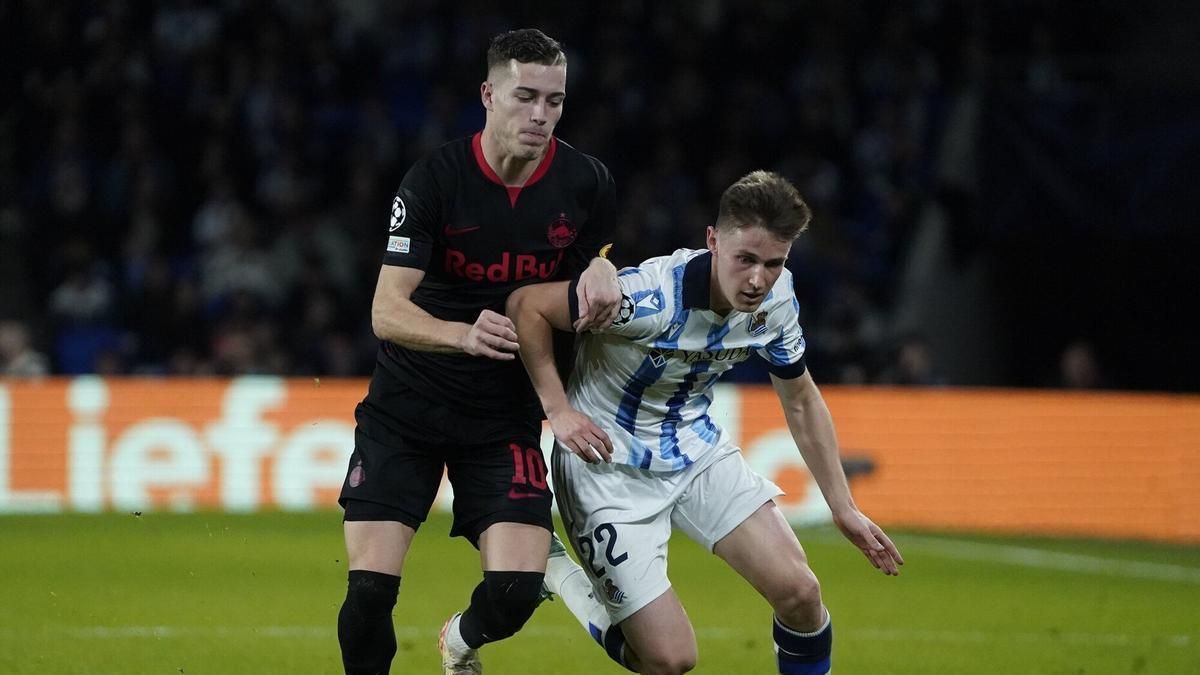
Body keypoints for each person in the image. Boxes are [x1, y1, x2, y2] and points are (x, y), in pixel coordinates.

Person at [507, 170, 903, 675]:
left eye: (774, 263)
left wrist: (843, 507)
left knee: (801, 593)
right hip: (607, 466)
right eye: (746, 260)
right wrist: (558, 410)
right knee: (670, 660)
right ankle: (559, 570)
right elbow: (527, 306)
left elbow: (800, 398)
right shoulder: (647, 300)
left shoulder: (777, 302)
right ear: (712, 241)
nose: (758, 279)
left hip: (693, 451)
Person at [335, 28, 622, 675]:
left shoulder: (587, 183)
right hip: (408, 408)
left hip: (503, 417)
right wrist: (460, 334)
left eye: (554, 101)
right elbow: (386, 310)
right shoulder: (435, 180)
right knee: (371, 591)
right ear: (489, 95)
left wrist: (603, 270)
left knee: (516, 594)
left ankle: (459, 640)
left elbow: (583, 280)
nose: (541, 115)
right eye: (526, 97)